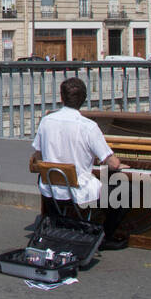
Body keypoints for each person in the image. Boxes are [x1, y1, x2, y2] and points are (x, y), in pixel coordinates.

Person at [30, 76, 130, 250]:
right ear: (84, 99)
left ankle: (60, 228)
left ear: (61, 98)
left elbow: (38, 156)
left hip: (51, 189)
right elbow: (112, 163)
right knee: (123, 191)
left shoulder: (46, 121)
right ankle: (105, 236)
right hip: (79, 190)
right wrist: (119, 164)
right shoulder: (88, 126)